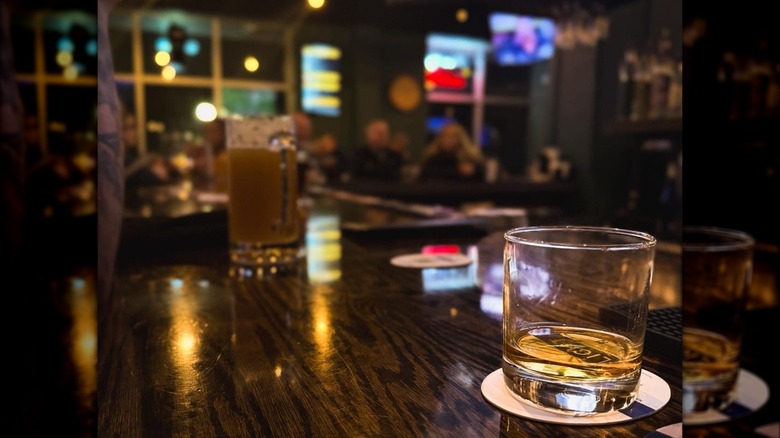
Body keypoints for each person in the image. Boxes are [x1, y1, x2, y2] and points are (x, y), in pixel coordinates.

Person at [417, 121, 485, 182]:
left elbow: (481, 175)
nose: (449, 140)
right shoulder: (432, 158)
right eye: (446, 136)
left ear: (460, 139)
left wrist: (472, 171)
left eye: (453, 137)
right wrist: (457, 171)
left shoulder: (469, 157)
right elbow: (426, 176)